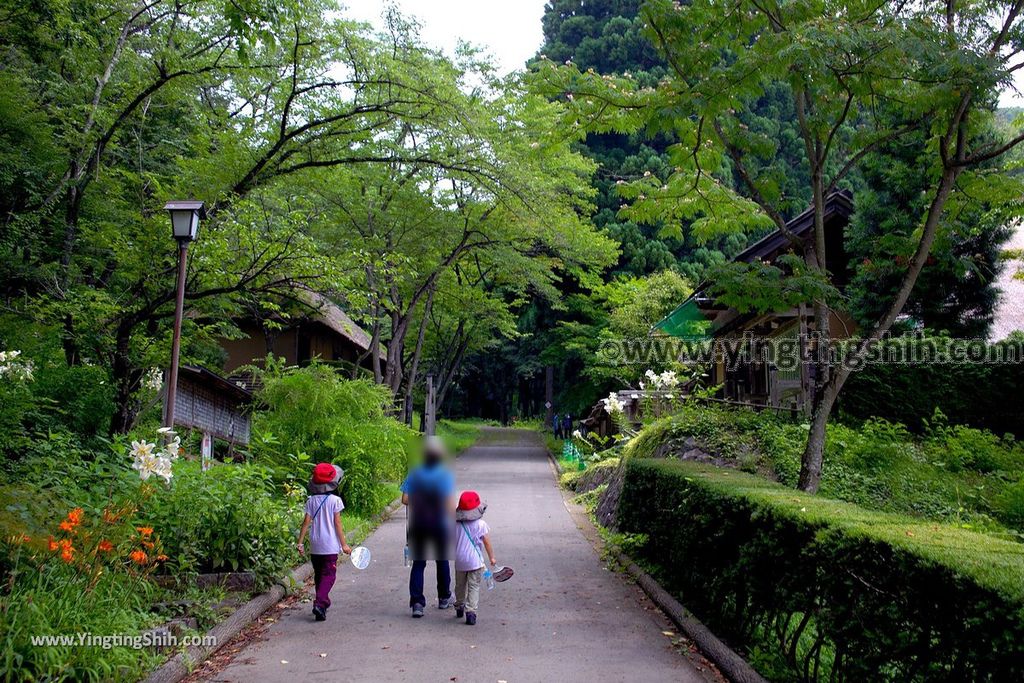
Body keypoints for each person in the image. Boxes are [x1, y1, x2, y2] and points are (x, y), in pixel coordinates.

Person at [402, 436, 456, 618]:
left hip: (418, 523)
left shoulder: (415, 473)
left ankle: (417, 603)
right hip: (439, 523)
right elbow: (449, 505)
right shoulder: (445, 475)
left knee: (418, 563)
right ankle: (444, 597)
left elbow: (405, 500)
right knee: (442, 560)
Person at [297, 463, 351, 622]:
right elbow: (338, 524)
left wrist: (300, 543)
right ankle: (319, 603)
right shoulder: (335, 500)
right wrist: (344, 545)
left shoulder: (311, 500)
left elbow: (305, 522)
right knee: (330, 575)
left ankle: (324, 601)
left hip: (315, 544)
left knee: (319, 574)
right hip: (329, 545)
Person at [453, 490, 496, 626]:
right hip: (475, 562)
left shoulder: (455, 524)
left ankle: (459, 605)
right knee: (474, 586)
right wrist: (492, 558)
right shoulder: (480, 524)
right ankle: (471, 612)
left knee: (460, 585)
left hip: (459, 560)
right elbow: (487, 542)